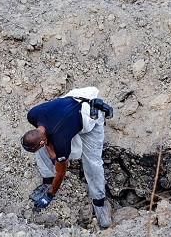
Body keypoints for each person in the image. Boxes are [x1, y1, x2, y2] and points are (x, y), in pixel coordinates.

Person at [22, 87, 113, 228]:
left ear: (42, 141)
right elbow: (44, 138)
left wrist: (50, 195)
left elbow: (62, 172)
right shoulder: (33, 115)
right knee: (40, 151)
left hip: (89, 117)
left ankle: (99, 203)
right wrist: (51, 152)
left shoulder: (60, 141)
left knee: (92, 162)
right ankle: (47, 181)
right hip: (68, 111)